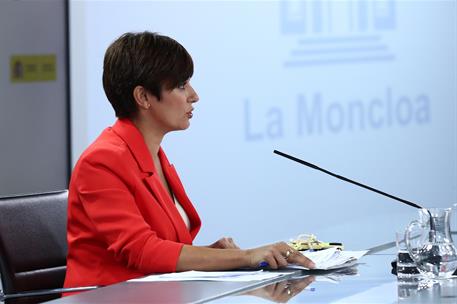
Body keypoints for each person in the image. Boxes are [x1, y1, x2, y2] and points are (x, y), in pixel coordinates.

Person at [64, 31, 315, 289]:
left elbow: (164, 250)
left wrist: (218, 255)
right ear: (143, 97)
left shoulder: (153, 155)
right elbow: (142, 251)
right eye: (181, 85)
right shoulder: (101, 162)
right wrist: (247, 256)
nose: (194, 95)